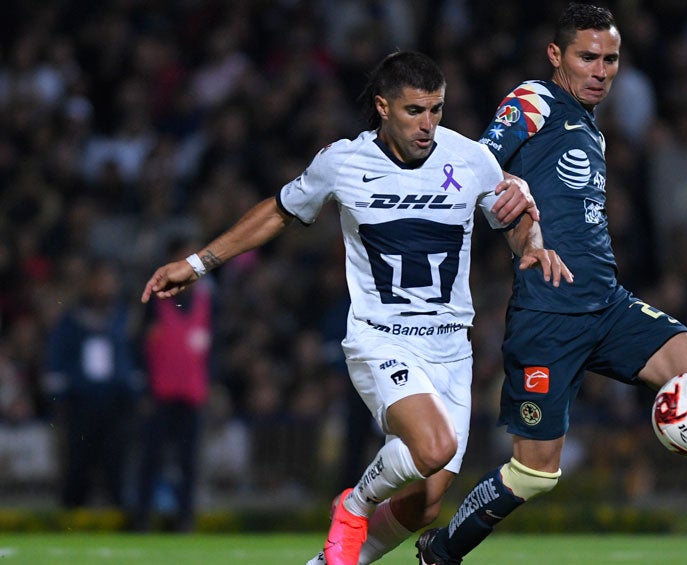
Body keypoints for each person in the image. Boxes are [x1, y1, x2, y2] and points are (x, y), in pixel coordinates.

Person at [141, 51, 571, 565]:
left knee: (424, 506)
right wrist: (198, 262)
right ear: (383, 106)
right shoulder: (343, 162)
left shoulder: (471, 159)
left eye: (436, 109)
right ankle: (354, 504)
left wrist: (533, 243)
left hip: (452, 350)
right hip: (380, 338)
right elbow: (280, 211)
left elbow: (513, 219)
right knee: (431, 447)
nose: (428, 125)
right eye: (415, 111)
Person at [415, 4, 687, 565]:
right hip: (548, 316)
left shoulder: (588, 126)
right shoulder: (535, 100)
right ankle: (442, 551)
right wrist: (520, 217)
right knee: (534, 473)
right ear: (557, 56)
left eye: (611, 59)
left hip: (608, 305)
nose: (601, 70)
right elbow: (477, 165)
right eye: (587, 57)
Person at [134, 237, 215, 532]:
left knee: (188, 463)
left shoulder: (207, 301)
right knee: (151, 459)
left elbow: (212, 348)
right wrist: (143, 388)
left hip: (192, 394)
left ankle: (185, 519)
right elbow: (140, 345)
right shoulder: (155, 302)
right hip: (160, 394)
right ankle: (142, 517)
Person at [45, 259, 141, 509]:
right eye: (100, 280)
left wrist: (134, 389)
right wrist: (60, 395)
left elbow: (133, 356)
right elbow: (57, 358)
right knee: (79, 463)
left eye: (110, 281)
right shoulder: (72, 319)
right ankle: (71, 520)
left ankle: (121, 520)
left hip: (116, 402)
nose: (105, 287)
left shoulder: (123, 318)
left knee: (117, 464)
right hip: (81, 402)